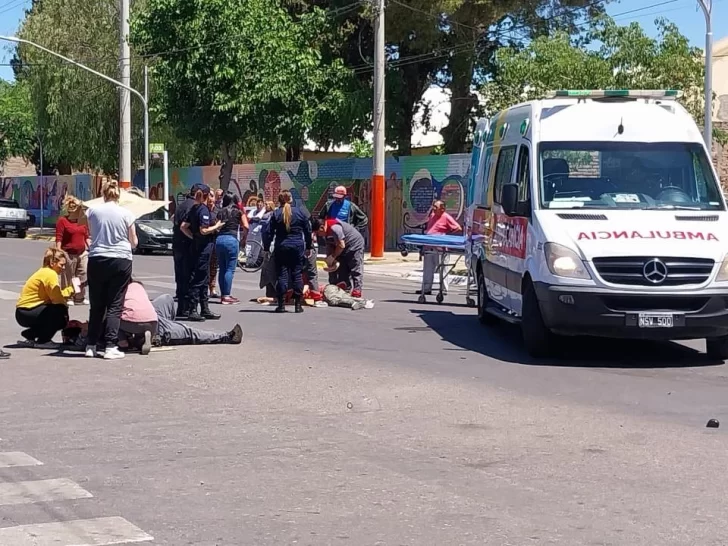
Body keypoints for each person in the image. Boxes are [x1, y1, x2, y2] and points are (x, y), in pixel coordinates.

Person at [85, 180, 138, 360]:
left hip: (97, 258)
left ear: (103, 193)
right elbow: (134, 241)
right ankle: (110, 345)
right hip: (120, 259)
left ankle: (91, 345)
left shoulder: (92, 211)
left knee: (97, 305)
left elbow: (91, 233)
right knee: (115, 305)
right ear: (118, 195)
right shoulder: (126, 214)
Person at [16, 247, 79, 349]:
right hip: (28, 311)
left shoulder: (44, 271)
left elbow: (55, 294)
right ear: (52, 263)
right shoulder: (50, 274)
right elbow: (58, 300)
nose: (63, 268)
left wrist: (71, 290)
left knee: (54, 310)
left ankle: (31, 335)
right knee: (60, 312)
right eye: (61, 265)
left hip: (23, 312)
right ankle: (43, 340)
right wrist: (66, 312)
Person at [262, 190, 313, 313]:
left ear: (279, 200)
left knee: (282, 275)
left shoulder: (276, 214)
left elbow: (268, 233)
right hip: (297, 246)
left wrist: (266, 248)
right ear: (290, 199)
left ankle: (281, 304)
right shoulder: (300, 212)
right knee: (297, 274)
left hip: (282, 246)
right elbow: (308, 230)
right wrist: (308, 246)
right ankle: (298, 305)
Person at [181, 185, 223, 322]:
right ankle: (193, 309)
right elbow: (203, 230)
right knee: (199, 279)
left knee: (204, 279)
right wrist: (216, 227)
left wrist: (193, 237)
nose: (213, 198)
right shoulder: (203, 209)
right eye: (210, 195)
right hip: (203, 248)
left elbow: (183, 227)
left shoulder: (194, 208)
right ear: (205, 195)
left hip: (197, 247)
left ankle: (205, 308)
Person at [420, 200, 462, 296]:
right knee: (427, 269)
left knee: (443, 269)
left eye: (436, 207)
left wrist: (446, 236)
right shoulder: (432, 215)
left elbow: (458, 228)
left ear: (442, 209)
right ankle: (426, 288)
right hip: (429, 246)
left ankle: (443, 289)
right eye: (433, 206)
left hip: (440, 248)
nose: (433, 208)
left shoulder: (446, 217)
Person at [172, 184, 201, 319]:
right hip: (187, 246)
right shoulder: (193, 206)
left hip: (177, 245)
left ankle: (181, 308)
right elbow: (185, 225)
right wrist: (194, 237)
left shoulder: (181, 205)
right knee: (190, 277)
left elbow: (174, 219)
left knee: (180, 277)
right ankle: (189, 308)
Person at [318, 218, 365, 298]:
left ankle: (357, 291)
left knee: (355, 268)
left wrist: (333, 256)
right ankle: (345, 288)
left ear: (322, 227)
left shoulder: (335, 227)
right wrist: (330, 261)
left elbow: (341, 245)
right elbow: (330, 246)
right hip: (342, 247)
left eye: (318, 232)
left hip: (354, 244)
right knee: (342, 268)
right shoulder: (325, 234)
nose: (318, 235)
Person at [55, 195, 89, 305]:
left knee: (82, 275)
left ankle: (79, 297)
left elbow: (86, 236)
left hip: (82, 252)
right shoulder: (62, 221)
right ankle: (68, 297)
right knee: (68, 277)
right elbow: (59, 237)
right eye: (72, 206)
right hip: (68, 253)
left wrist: (91, 248)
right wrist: (58, 252)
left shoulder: (83, 221)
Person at [215, 192, 246, 305]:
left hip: (220, 239)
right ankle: (227, 296)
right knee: (230, 269)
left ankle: (223, 295)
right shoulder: (238, 212)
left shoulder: (221, 212)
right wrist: (244, 238)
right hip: (231, 239)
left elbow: (216, 225)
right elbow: (246, 226)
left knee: (222, 268)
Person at [119, 279, 157, 356]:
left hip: (131, 322)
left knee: (113, 318)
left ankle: (123, 342)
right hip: (153, 321)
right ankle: (143, 340)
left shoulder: (120, 288)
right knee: (139, 340)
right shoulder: (139, 286)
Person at [207, 191, 221, 298]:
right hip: (205, 241)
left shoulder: (218, 211)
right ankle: (204, 287)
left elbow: (221, 224)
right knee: (204, 265)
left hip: (215, 240)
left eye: (212, 198)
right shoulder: (203, 210)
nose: (210, 201)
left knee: (213, 266)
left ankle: (212, 288)